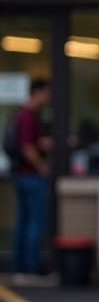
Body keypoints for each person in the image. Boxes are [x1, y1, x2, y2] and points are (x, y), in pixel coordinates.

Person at [11, 78, 54, 284]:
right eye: (47, 93)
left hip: (21, 175)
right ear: (38, 92)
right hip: (30, 176)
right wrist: (42, 167)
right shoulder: (28, 117)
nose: (49, 98)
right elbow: (28, 148)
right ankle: (30, 267)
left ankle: (21, 266)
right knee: (34, 222)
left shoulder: (21, 115)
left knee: (24, 221)